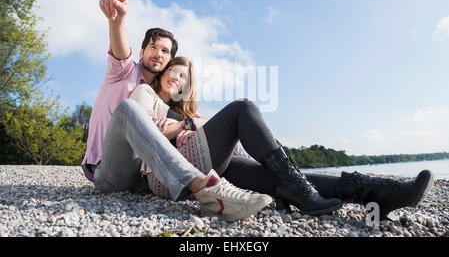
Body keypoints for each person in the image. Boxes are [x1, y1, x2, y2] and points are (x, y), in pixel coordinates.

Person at [135, 56, 435, 221]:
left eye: (184, 76)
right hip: (171, 175)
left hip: (213, 168)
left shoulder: (190, 113)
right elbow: (148, 134)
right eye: (173, 71)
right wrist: (184, 126)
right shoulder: (147, 95)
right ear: (161, 73)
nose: (177, 78)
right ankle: (301, 191)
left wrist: (190, 121)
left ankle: (378, 193)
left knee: (283, 179)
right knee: (243, 108)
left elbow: (205, 131)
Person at [81, 0, 274, 222]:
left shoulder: (159, 99)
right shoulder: (125, 71)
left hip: (143, 180)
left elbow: (198, 123)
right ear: (141, 52)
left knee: (232, 145)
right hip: (108, 172)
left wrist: (189, 124)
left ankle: (294, 182)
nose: (158, 53)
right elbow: (120, 48)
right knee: (128, 109)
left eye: (165, 51)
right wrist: (117, 21)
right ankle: (206, 191)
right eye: (153, 47)